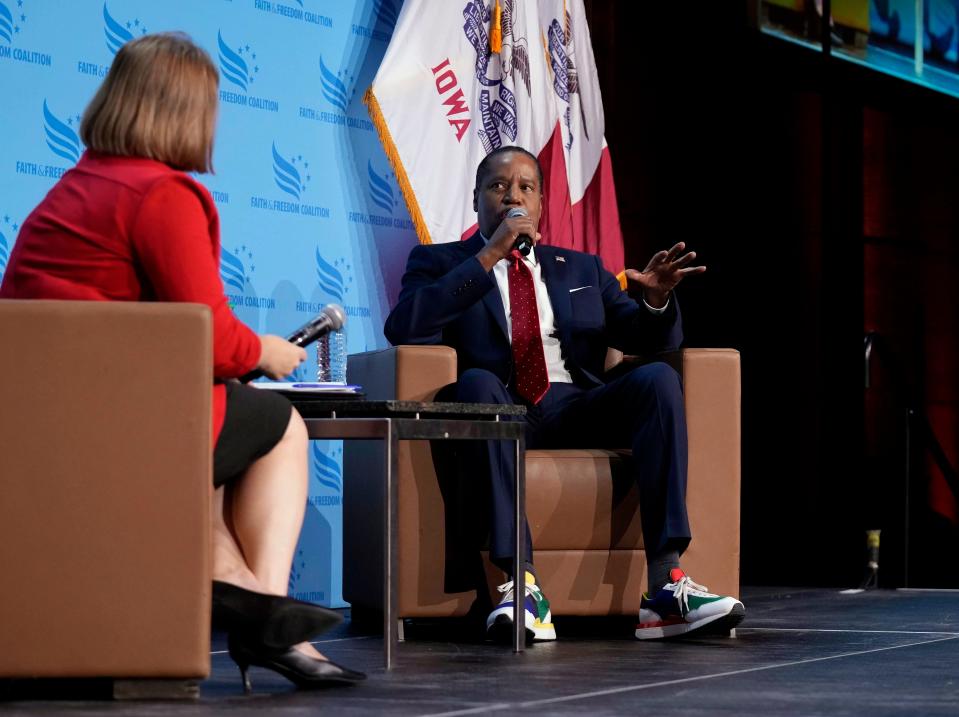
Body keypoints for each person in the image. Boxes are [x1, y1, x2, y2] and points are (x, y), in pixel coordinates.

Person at [0, 33, 364, 690]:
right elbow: (211, 337)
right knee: (279, 422)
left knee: (210, 433)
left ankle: (256, 608)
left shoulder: (69, 192)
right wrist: (270, 350)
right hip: (118, 432)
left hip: (39, 432)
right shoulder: (161, 195)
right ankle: (267, 610)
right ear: (189, 112)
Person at [384, 145, 745, 642]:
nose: (513, 196)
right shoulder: (438, 262)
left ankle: (665, 585)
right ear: (475, 200)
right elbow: (404, 325)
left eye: (527, 187)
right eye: (498, 186)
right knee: (475, 383)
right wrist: (491, 255)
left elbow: (649, 339)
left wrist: (657, 301)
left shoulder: (581, 269)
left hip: (574, 404)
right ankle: (522, 587)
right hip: (497, 407)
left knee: (658, 380)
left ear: (540, 206)